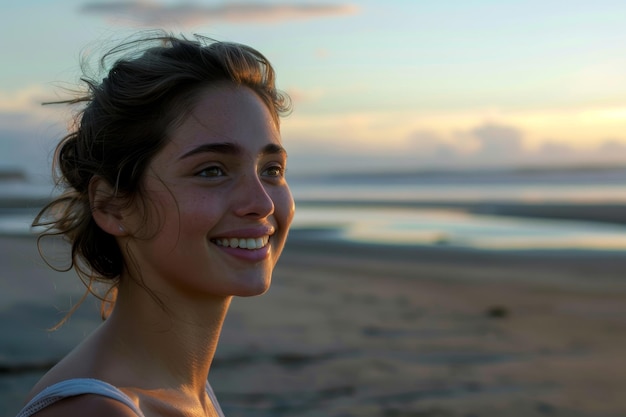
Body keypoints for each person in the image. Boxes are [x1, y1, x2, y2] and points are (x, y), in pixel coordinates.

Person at [16, 32, 295, 417]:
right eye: (211, 170)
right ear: (112, 206)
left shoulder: (182, 393)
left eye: (272, 170)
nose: (261, 203)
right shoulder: (98, 410)